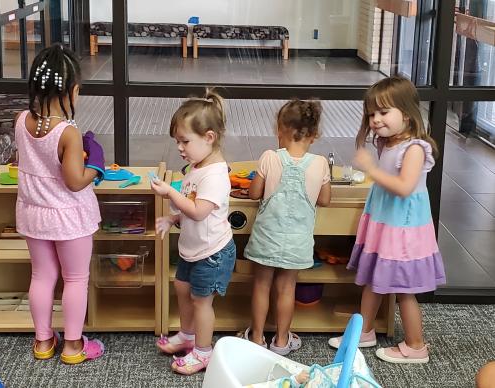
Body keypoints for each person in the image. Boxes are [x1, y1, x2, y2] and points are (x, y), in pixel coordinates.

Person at [328, 76, 446, 363]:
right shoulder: (387, 143)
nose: (375, 119)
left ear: (406, 113)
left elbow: (405, 186)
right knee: (373, 279)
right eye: (371, 113)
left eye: (383, 112)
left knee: (403, 291)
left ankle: (416, 347)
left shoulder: (415, 148)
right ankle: (364, 331)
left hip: (403, 231)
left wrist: (370, 168)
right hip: (385, 225)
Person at [15, 43, 106, 364]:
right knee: (75, 279)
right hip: (68, 218)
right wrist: (96, 165)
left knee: (41, 276)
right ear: (74, 89)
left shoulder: (21, 119)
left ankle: (42, 342)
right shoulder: (67, 132)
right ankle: (72, 345)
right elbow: (73, 180)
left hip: (33, 214)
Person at [151, 89, 236, 375]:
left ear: (209, 137)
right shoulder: (196, 167)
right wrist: (173, 219)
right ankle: (187, 336)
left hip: (212, 253)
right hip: (194, 247)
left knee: (201, 302)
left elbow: (199, 211)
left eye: (185, 141)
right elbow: (193, 211)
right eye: (177, 141)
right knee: (182, 288)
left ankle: (203, 352)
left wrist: (169, 195)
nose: (179, 148)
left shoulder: (215, 174)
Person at [242, 99, 331, 355]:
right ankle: (281, 341)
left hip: (266, 237)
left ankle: (257, 338)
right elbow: (324, 199)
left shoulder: (270, 157)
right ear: (313, 135)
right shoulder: (320, 163)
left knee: (261, 285)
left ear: (280, 130)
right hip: (298, 241)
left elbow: (253, 193)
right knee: (286, 288)